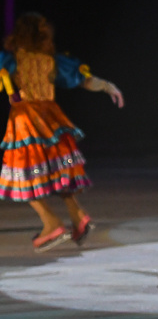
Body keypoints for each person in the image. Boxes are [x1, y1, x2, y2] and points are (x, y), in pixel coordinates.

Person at [0, 13, 124, 251]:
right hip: (52, 119)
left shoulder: (12, 59)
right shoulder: (52, 61)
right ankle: (78, 216)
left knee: (23, 175)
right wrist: (108, 86)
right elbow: (84, 80)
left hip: (26, 121)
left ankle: (51, 223)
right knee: (57, 171)